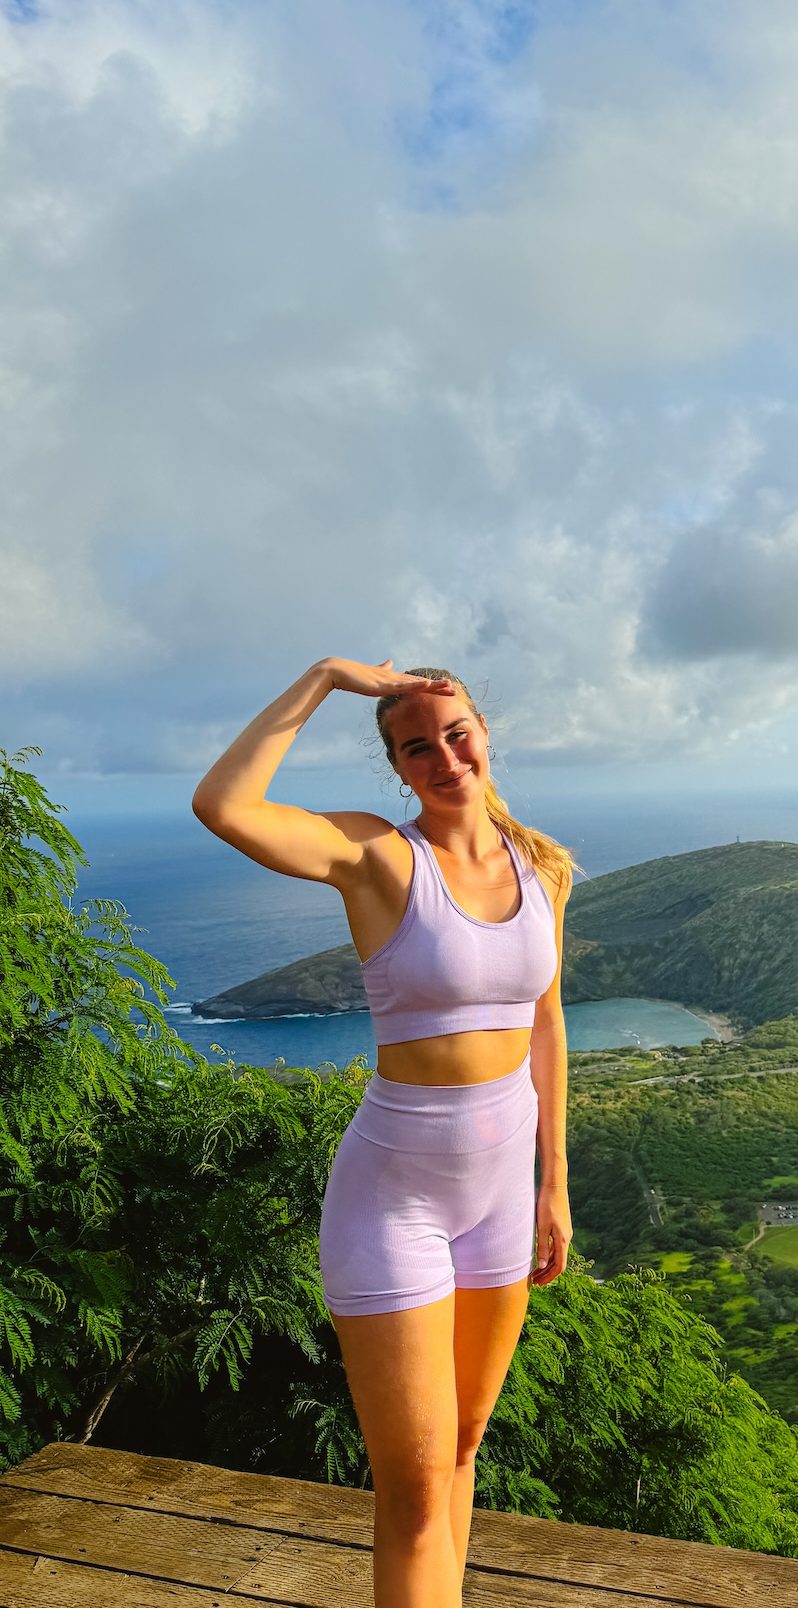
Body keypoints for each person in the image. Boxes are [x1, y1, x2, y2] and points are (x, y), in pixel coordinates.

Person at [192, 658, 573, 1608]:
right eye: (417, 747)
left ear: (485, 731)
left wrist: (553, 1182)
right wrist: (323, 679)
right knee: (407, 1493)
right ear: (398, 767)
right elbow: (224, 804)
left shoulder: (544, 865)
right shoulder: (378, 857)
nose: (444, 757)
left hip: (499, 1198)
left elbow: (546, 1023)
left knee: (467, 1441)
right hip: (394, 1199)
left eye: (456, 733)